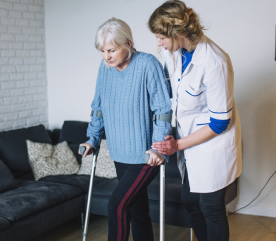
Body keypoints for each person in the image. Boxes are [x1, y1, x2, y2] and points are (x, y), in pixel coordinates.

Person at [148, 1, 242, 241]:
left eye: (161, 37)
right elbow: (175, 95)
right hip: (191, 143)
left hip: (213, 144)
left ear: (177, 32)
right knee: (190, 201)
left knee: (211, 207)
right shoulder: (175, 54)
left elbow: (220, 122)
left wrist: (177, 145)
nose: (158, 43)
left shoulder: (214, 61)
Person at [79, 17, 172, 241]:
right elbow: (98, 107)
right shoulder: (105, 68)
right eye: (102, 51)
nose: (106, 56)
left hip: (146, 155)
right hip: (119, 152)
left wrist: (158, 149)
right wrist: (92, 138)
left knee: (116, 205)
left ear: (128, 43)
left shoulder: (148, 64)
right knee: (136, 210)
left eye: (111, 50)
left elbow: (163, 109)